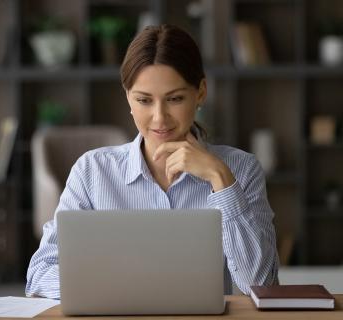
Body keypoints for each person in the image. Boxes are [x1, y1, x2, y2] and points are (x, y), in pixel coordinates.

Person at [26, 24, 279, 299]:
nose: (159, 118)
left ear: (201, 93)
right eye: (144, 100)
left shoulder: (242, 169)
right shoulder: (91, 172)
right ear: (128, 98)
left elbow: (261, 284)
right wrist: (118, 291)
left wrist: (222, 181)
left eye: (175, 99)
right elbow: (41, 272)